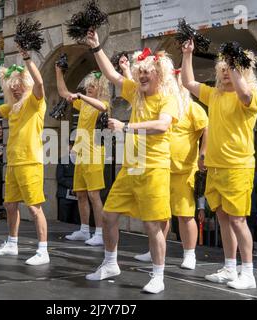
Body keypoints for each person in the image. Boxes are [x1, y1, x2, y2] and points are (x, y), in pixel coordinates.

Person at [84, 30, 182, 294]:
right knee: (108, 215)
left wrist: (126, 126)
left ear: (159, 74)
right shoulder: (136, 93)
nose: (142, 76)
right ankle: (110, 263)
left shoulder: (168, 99)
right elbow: (113, 75)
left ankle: (158, 276)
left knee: (152, 225)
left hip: (154, 167)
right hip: (131, 167)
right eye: (140, 72)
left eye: (147, 72)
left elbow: (162, 126)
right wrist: (96, 48)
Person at [182, 39, 257, 289]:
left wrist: (235, 62)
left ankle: (247, 273)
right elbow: (188, 83)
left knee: (238, 221)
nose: (226, 70)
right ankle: (229, 268)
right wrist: (187, 54)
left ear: (242, 69)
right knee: (224, 218)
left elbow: (245, 93)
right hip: (215, 167)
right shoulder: (214, 95)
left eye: (231, 67)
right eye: (223, 67)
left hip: (238, 167)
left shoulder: (249, 96)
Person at [0, 47, 49, 266]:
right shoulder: (13, 106)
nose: (16, 90)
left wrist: (27, 59)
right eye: (13, 87)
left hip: (30, 162)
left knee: (35, 208)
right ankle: (12, 243)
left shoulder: (35, 102)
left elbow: (40, 84)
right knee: (10, 205)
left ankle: (43, 251)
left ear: (25, 85)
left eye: (19, 86)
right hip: (14, 163)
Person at [134, 70, 209, 270]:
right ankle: (155, 251)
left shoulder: (193, 108)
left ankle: (190, 254)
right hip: (161, 167)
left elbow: (206, 129)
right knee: (160, 214)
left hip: (184, 171)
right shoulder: (165, 106)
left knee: (185, 215)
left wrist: (204, 153)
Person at [56, 63, 110, 246]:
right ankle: (85, 230)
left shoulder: (102, 103)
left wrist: (80, 96)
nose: (88, 88)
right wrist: (58, 72)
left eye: (92, 86)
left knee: (94, 195)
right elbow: (63, 92)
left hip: (95, 153)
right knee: (80, 193)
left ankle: (100, 233)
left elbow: (103, 107)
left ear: (100, 88)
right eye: (87, 86)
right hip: (80, 153)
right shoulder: (84, 103)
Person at [56, 141, 80, 224]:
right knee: (64, 219)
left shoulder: (83, 161)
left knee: (77, 220)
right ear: (70, 147)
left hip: (79, 195)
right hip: (64, 195)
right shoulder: (62, 160)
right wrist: (73, 186)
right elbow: (59, 177)